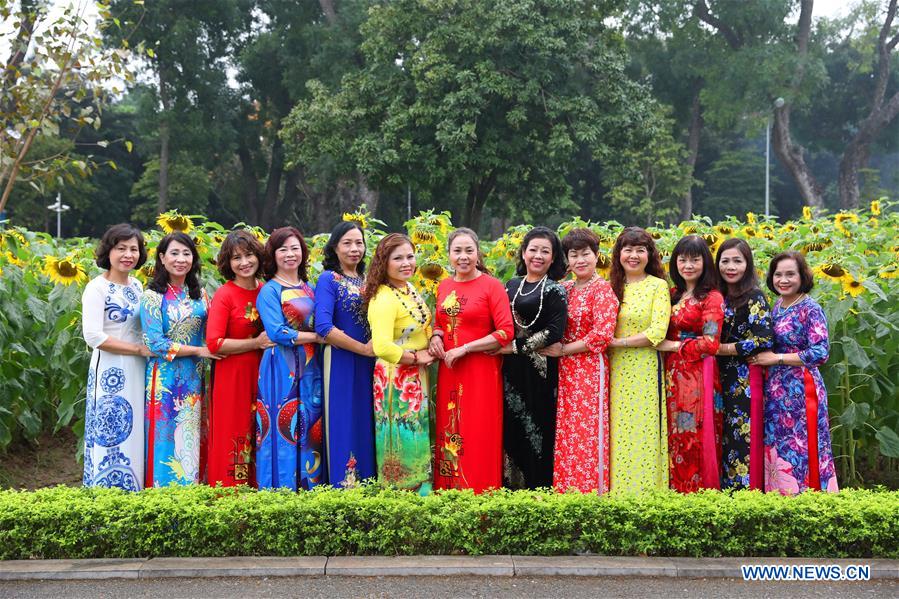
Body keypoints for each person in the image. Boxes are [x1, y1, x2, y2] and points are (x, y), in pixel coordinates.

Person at [429, 228, 514, 492]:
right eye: (457, 251)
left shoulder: (492, 286)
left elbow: (505, 331)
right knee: (451, 431)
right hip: (450, 371)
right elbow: (440, 322)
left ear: (478, 254)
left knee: (478, 434)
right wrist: (435, 336)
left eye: (469, 250)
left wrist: (464, 349)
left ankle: (481, 501)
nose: (463, 257)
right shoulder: (443, 285)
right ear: (449, 254)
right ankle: (451, 498)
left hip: (480, 372)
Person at [539, 228, 618, 494]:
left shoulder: (602, 289)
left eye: (586, 254)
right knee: (567, 431)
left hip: (589, 367)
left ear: (597, 256)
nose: (580, 260)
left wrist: (565, 350)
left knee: (588, 431)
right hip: (564, 369)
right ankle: (566, 491)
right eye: (574, 255)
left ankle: (591, 493)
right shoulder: (565, 288)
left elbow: (602, 334)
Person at [752, 251, 838, 494]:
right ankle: (781, 501)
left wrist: (777, 358)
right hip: (777, 391)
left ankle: (808, 503)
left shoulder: (810, 308)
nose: (783, 280)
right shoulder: (777, 305)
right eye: (778, 274)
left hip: (801, 390)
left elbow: (821, 352)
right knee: (778, 447)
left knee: (803, 447)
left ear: (802, 276)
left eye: (790, 274)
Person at [140, 232, 218, 487]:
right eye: (174, 253)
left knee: (193, 438)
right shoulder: (152, 296)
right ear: (162, 258)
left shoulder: (200, 294)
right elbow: (155, 343)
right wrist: (198, 350)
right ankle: (164, 502)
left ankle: (192, 499)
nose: (181, 259)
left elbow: (211, 333)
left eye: (186, 254)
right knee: (166, 443)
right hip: (165, 380)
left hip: (195, 380)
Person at [362, 233, 435, 494]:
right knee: (402, 440)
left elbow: (424, 324)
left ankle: (421, 496)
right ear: (384, 262)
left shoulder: (408, 288)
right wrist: (416, 357)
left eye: (410, 256)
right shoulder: (383, 297)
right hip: (395, 379)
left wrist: (433, 339)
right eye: (398, 258)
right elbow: (381, 346)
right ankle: (401, 502)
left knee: (417, 437)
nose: (406, 263)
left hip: (415, 376)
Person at [81, 224, 151, 491]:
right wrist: (136, 350)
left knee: (135, 432)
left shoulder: (137, 286)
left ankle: (134, 491)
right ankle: (107, 495)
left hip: (138, 368)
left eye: (134, 249)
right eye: (121, 248)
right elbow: (94, 337)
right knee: (111, 431)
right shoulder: (97, 288)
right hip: (110, 370)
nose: (128, 254)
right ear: (108, 251)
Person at [499, 226, 568, 489]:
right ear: (524, 253)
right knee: (511, 425)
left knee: (537, 428)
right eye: (533, 249)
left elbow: (554, 332)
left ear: (553, 258)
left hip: (540, 371)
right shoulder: (511, 285)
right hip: (511, 370)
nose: (538, 256)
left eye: (545, 251)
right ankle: (510, 489)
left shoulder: (555, 290)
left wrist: (515, 347)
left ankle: (538, 489)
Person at [256, 226, 323, 491]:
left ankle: (310, 488)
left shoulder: (309, 288)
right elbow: (277, 332)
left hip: (310, 366)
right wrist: (317, 337)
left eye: (295, 248)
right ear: (273, 255)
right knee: (282, 428)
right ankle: (280, 491)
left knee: (310, 425)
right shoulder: (270, 291)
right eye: (282, 249)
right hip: (281, 367)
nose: (290, 254)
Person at [205, 230, 274, 487]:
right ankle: (233, 495)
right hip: (233, 375)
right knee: (235, 434)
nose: (244, 262)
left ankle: (261, 488)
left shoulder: (266, 290)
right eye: (236, 258)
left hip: (264, 373)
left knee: (260, 431)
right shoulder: (225, 294)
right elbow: (214, 342)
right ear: (228, 263)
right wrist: (254, 343)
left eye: (249, 255)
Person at [657, 235, 724, 493]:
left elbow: (710, 342)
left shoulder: (712, 297)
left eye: (695, 259)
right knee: (673, 434)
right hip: (671, 374)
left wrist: (674, 346)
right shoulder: (673, 294)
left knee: (693, 434)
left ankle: (696, 496)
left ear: (705, 262)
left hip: (697, 374)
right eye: (682, 259)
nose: (688, 265)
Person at [607, 227, 671, 494]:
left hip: (644, 367)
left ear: (650, 255)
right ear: (618, 254)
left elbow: (657, 332)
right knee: (616, 433)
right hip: (612, 370)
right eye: (628, 249)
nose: (633, 255)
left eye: (640, 250)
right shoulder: (610, 287)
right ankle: (616, 494)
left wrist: (617, 343)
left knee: (643, 431)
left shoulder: (658, 286)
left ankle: (645, 494)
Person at [314, 221, 376, 488]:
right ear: (335, 248)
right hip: (341, 361)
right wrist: (362, 348)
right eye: (347, 243)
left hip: (370, 363)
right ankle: (344, 487)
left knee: (366, 421)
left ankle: (369, 484)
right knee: (343, 420)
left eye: (359, 243)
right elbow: (324, 327)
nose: (354, 249)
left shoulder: (369, 280)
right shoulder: (329, 279)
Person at [715, 238, 773, 490]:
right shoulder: (716, 296)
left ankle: (742, 499)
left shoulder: (753, 297)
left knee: (741, 440)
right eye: (725, 261)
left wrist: (725, 349)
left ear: (747, 265)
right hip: (716, 376)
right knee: (721, 436)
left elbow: (764, 338)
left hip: (742, 380)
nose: (731, 266)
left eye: (737, 261)